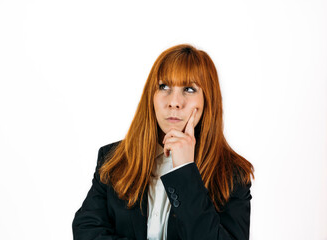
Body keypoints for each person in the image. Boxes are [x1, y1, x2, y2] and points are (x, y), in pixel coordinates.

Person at [72, 44, 254, 240]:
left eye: (189, 89)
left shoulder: (232, 174)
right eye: (164, 87)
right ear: (151, 96)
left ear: (207, 101)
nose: (174, 102)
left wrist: (185, 171)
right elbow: (86, 230)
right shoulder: (114, 159)